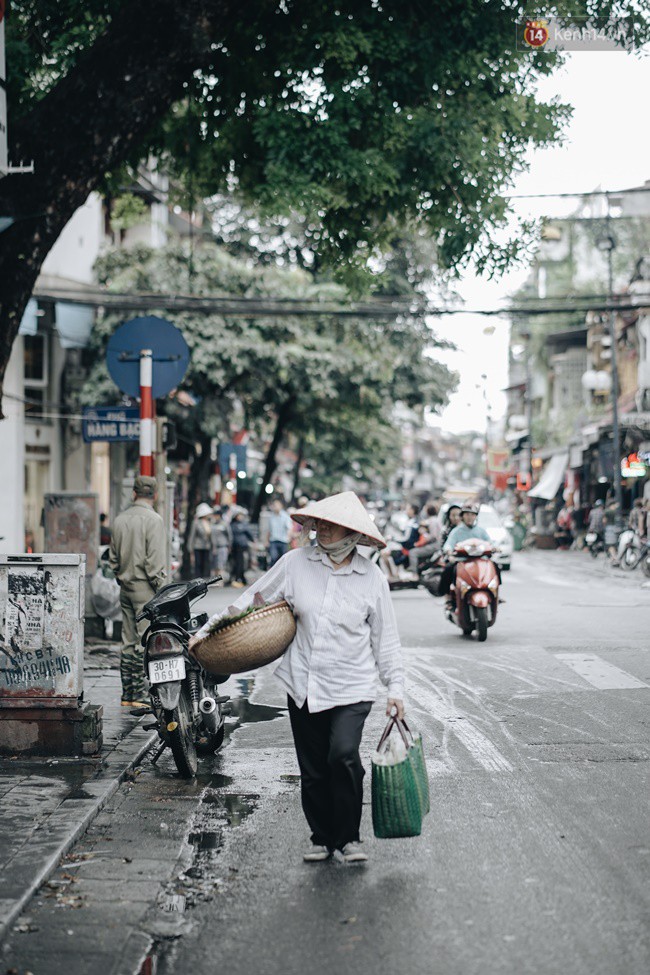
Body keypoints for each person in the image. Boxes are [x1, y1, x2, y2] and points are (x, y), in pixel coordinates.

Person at [191, 491, 404, 864]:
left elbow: (386, 640)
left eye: (330, 525)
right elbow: (250, 600)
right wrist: (207, 633)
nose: (320, 529)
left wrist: (396, 688)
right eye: (318, 522)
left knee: (343, 756)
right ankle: (322, 838)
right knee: (314, 767)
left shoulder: (371, 578)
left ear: (352, 534)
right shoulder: (295, 564)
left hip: (352, 686)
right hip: (303, 683)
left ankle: (349, 838)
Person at [108, 475, 166, 706]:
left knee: (128, 640)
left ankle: (128, 694)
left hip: (125, 587)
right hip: (146, 589)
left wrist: (122, 576)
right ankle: (141, 695)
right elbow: (155, 565)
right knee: (145, 642)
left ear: (134, 493)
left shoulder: (120, 520)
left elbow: (112, 559)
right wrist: (161, 590)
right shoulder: (154, 520)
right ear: (155, 495)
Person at [439, 502, 491, 612]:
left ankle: (493, 592)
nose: (470, 517)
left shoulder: (481, 531)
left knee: (494, 566)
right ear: (462, 516)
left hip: (480, 561)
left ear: (476, 516)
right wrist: (449, 551)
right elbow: (448, 544)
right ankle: (450, 597)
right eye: (467, 514)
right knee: (449, 569)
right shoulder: (456, 531)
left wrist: (495, 548)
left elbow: (490, 543)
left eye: (472, 514)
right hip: (462, 561)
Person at [230, 508, 255, 587]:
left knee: (241, 563)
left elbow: (249, 534)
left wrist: (253, 541)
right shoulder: (232, 525)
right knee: (236, 563)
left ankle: (240, 578)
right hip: (235, 546)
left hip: (242, 546)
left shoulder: (243, 524)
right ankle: (239, 578)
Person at [189, 502, 214, 578]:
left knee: (206, 564)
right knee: (198, 564)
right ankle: (198, 578)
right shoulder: (196, 523)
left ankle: (205, 578)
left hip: (207, 546)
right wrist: (190, 549)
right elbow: (192, 536)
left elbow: (211, 536)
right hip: (198, 546)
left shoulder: (209, 523)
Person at [266, 498, 293, 566]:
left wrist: (288, 538)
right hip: (273, 540)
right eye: (274, 505)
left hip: (283, 541)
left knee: (282, 560)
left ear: (281, 506)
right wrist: (266, 541)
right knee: (273, 557)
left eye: (276, 505)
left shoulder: (285, 516)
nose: (275, 507)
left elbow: (289, 528)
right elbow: (269, 530)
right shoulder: (271, 517)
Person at [210, 506, 231, 578]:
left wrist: (229, 546)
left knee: (221, 565)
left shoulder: (224, 524)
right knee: (215, 565)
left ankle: (220, 580)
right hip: (214, 547)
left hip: (222, 547)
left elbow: (229, 536)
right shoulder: (213, 524)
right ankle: (216, 580)